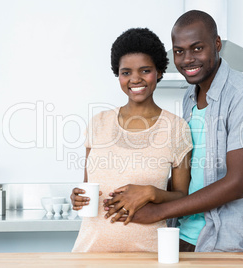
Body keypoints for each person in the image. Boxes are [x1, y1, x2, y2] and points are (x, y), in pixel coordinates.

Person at [104, 10, 243, 252]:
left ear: (216, 44)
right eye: (179, 51)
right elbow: (191, 174)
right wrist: (145, 193)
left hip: (226, 242)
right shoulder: (189, 98)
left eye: (197, 48)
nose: (187, 59)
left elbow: (236, 184)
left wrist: (158, 210)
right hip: (182, 236)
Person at [70, 28, 193, 252]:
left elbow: (182, 197)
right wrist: (77, 198)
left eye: (145, 70)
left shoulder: (176, 128)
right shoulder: (98, 122)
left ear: (159, 71)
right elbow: (90, 187)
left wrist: (151, 192)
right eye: (126, 72)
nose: (135, 79)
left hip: (150, 254)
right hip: (90, 253)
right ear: (118, 75)